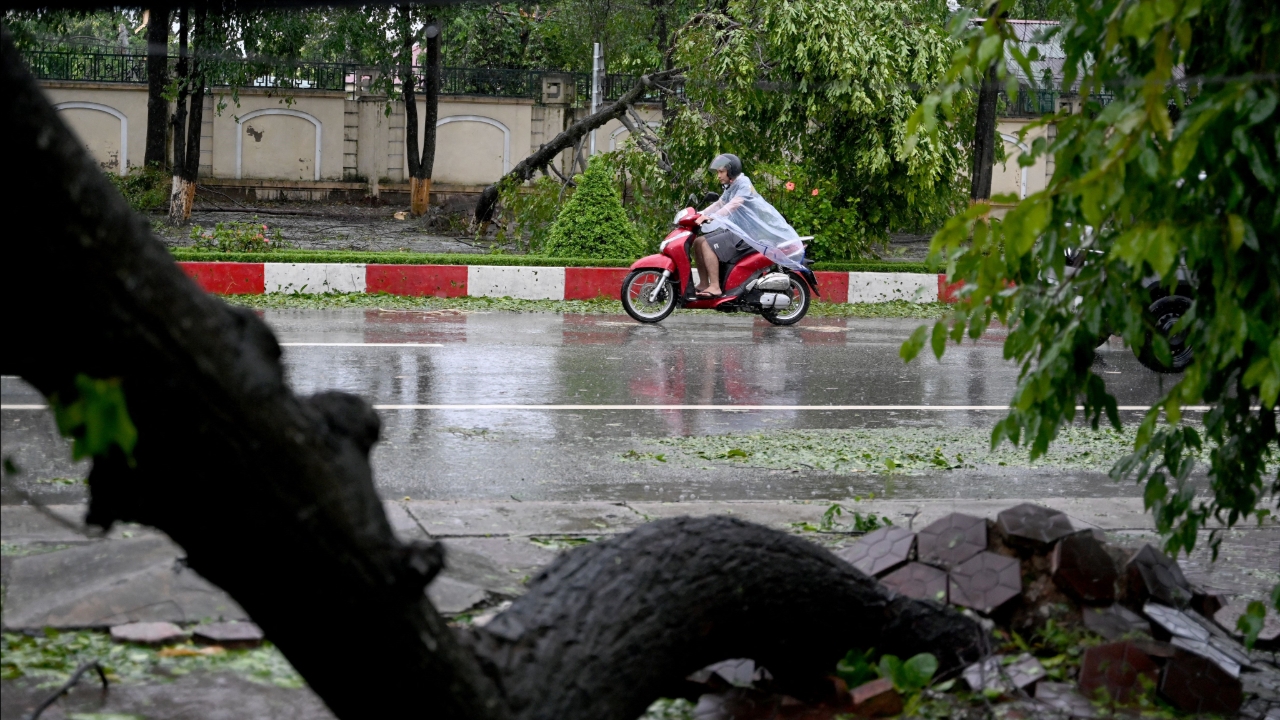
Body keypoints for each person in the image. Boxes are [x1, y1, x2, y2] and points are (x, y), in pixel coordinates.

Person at [692, 154, 801, 298]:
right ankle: (704, 283)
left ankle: (715, 287)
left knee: (707, 244)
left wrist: (711, 217)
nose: (718, 176)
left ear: (731, 171)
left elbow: (735, 204)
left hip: (746, 233)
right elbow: (719, 203)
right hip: (736, 230)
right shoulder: (731, 187)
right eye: (718, 172)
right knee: (698, 242)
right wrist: (698, 214)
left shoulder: (743, 183)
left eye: (721, 172)